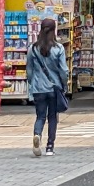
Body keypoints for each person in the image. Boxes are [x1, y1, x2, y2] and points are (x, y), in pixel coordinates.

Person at [26, 17, 68, 157]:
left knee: (40, 116)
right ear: (54, 30)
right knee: (53, 117)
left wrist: (32, 84)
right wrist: (64, 84)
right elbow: (63, 70)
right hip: (54, 88)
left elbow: (29, 71)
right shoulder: (58, 48)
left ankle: (37, 135)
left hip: (38, 88)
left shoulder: (33, 48)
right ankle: (50, 147)